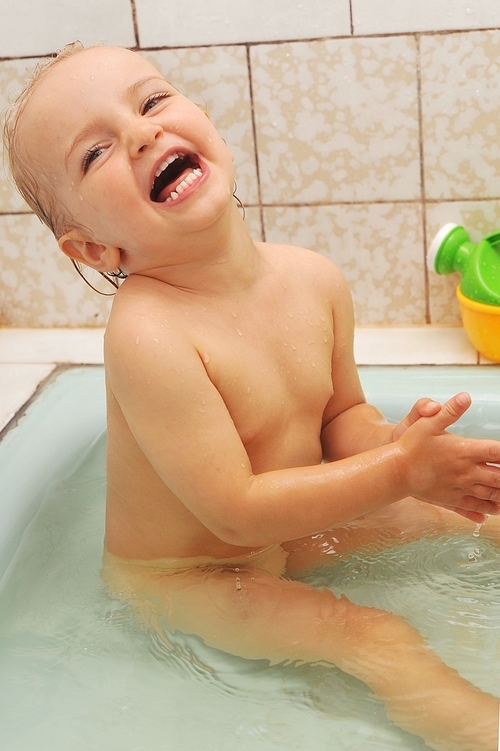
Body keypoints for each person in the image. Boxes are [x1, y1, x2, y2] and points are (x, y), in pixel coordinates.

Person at [4, 41, 500, 751]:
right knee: (373, 635)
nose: (143, 133)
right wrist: (398, 475)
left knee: (474, 516)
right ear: (94, 250)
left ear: (205, 118)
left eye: (150, 102)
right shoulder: (148, 335)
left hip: (286, 531)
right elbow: (234, 511)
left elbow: (340, 419)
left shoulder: (313, 279)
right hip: (188, 575)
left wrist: (401, 449)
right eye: (97, 152)